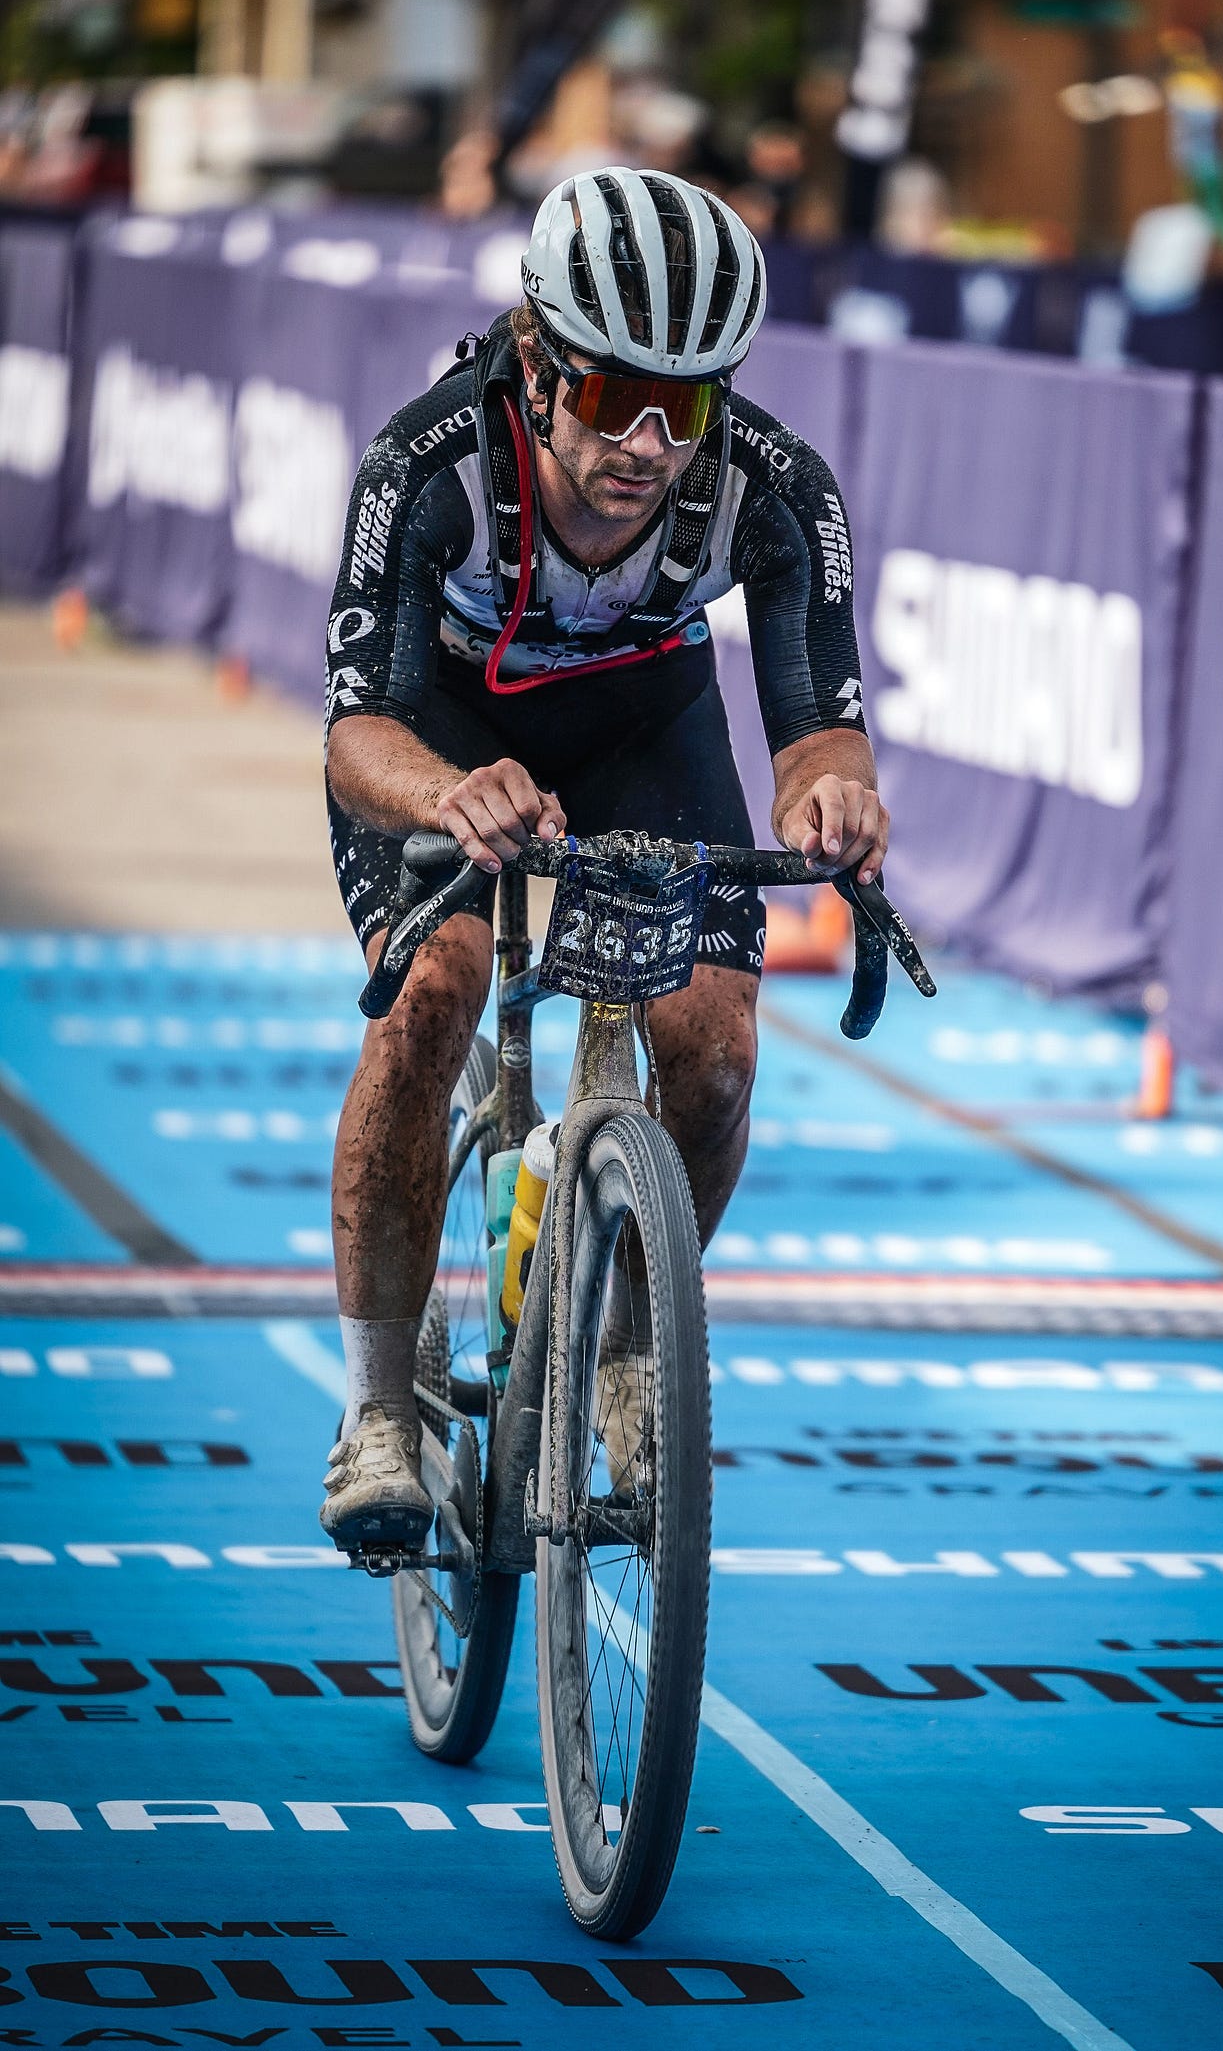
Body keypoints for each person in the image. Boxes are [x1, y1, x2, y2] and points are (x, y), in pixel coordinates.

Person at [319, 168, 888, 1548]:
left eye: (683, 407)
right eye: (615, 396)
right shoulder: (428, 462)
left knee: (718, 1048)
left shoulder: (775, 488)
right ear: (537, 360)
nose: (645, 441)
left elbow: (820, 728)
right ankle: (380, 1407)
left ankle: (634, 1337)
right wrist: (449, 792)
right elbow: (356, 733)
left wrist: (834, 799)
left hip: (642, 724)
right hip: (447, 731)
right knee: (432, 997)